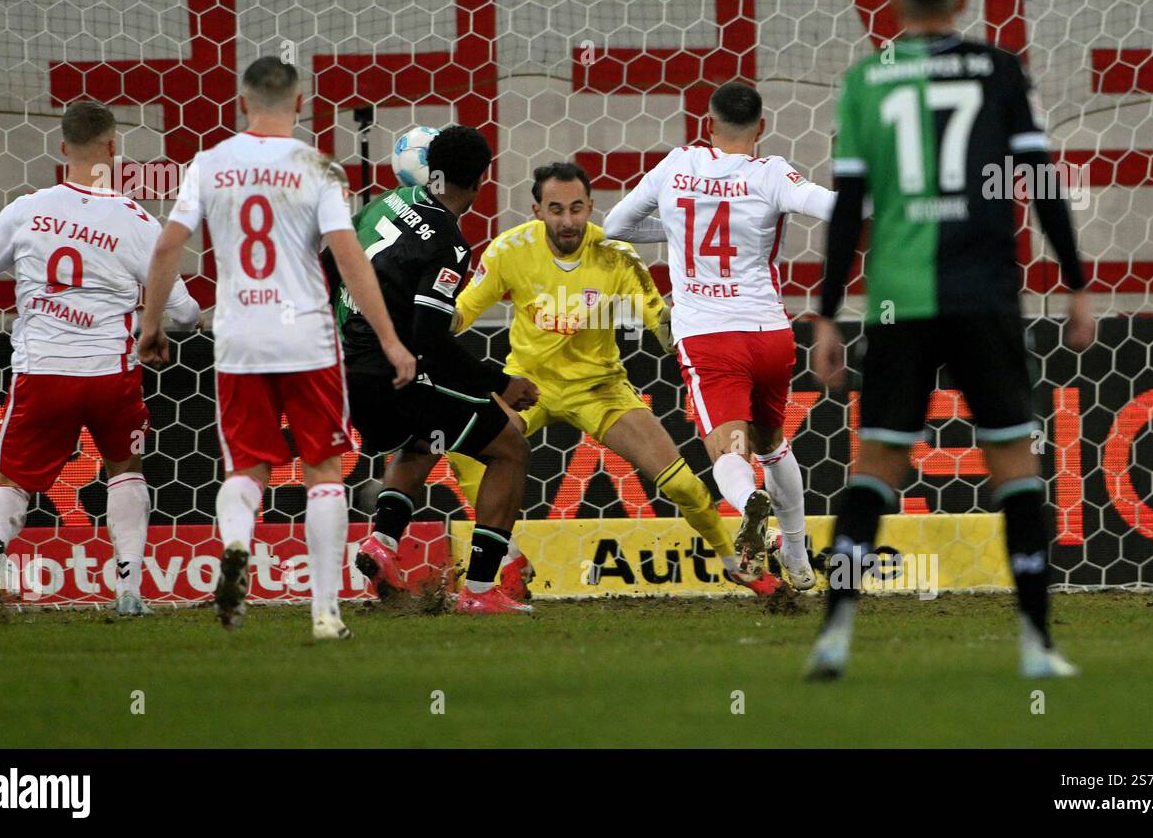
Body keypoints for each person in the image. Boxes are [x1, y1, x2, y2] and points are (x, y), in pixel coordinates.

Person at [807, 0, 1095, 680]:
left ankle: (835, 633)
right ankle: (1036, 644)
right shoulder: (1000, 70)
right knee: (1014, 465)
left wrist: (829, 312)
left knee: (877, 463)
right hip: (985, 294)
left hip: (900, 295)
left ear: (894, 3)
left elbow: (849, 210)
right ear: (962, 1)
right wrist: (1076, 280)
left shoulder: (869, 78)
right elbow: (1042, 180)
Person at [139, 56, 414, 641]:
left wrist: (150, 324)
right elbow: (348, 256)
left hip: (240, 337)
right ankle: (324, 613)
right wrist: (390, 340)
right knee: (324, 471)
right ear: (299, 104)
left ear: (242, 104)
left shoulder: (210, 164)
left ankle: (237, 547)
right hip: (308, 337)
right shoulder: (319, 169)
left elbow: (166, 250)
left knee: (246, 467)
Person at [449, 160, 781, 597]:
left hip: (600, 389)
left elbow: (656, 317)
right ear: (536, 210)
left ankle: (735, 564)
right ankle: (509, 558)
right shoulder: (509, 251)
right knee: (464, 451)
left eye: (576, 208)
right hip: (528, 386)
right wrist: (414, 324)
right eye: (555, 209)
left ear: (590, 206)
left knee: (683, 485)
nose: (567, 221)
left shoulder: (615, 254)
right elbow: (462, 312)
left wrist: (692, 329)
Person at [0, 101, 201, 616]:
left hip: (42, 374)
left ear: (62, 149)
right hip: (110, 375)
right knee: (125, 469)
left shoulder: (26, 210)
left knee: (12, 481)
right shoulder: (138, 223)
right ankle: (128, 591)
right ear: (113, 149)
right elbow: (186, 312)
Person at [604, 82, 835, 592]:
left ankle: (748, 502)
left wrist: (678, 227)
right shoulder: (771, 173)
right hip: (771, 335)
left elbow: (616, 225)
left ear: (707, 125)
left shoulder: (677, 166)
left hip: (710, 338)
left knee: (730, 450)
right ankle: (797, 555)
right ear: (762, 127)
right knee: (773, 443)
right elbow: (833, 207)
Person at [326, 124, 541, 615]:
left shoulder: (385, 201)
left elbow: (329, 261)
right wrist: (502, 383)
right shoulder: (449, 244)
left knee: (424, 437)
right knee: (510, 448)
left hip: (345, 372)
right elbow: (430, 341)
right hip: (392, 374)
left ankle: (380, 543)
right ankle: (481, 592)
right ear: (481, 181)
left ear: (431, 168)